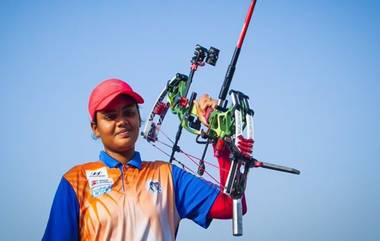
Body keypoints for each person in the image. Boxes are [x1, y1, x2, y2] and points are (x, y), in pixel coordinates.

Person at [42, 78, 249, 241]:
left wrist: (222, 140)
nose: (122, 121)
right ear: (95, 128)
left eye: (129, 112)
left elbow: (232, 205)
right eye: (110, 116)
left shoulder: (167, 175)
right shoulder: (76, 181)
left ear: (139, 119)